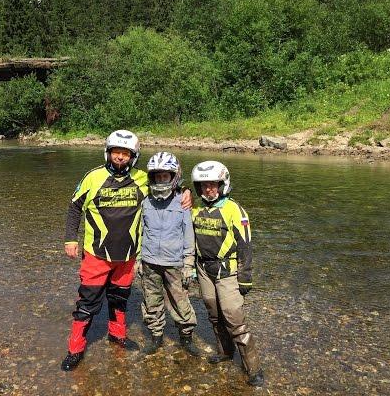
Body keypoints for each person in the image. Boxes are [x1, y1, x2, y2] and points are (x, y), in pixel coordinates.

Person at [61, 130, 191, 371]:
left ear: (134, 156)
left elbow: (168, 181)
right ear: (108, 153)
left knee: (119, 298)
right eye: (116, 152)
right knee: (87, 304)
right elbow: (74, 208)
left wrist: (186, 191)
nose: (120, 157)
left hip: (128, 256)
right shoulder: (93, 177)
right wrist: (70, 239)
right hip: (96, 254)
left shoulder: (143, 179)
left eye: (126, 154)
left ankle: (117, 335)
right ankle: (75, 349)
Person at [191, 161, 264, 387]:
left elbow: (246, 245)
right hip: (204, 269)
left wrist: (246, 276)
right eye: (203, 186)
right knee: (214, 314)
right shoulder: (194, 208)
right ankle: (225, 351)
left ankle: (254, 368)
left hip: (228, 271)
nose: (208, 189)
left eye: (213, 185)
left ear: (223, 184)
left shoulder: (234, 209)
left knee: (234, 319)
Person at [138, 151, 198, 357]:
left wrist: (189, 263)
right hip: (149, 261)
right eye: (157, 176)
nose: (161, 179)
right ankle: (156, 337)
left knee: (181, 302)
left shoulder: (183, 202)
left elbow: (189, 235)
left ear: (174, 176)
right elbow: (140, 232)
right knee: (151, 302)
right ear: (152, 177)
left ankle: (186, 338)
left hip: (175, 263)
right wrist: (138, 259)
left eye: (165, 176)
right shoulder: (146, 202)